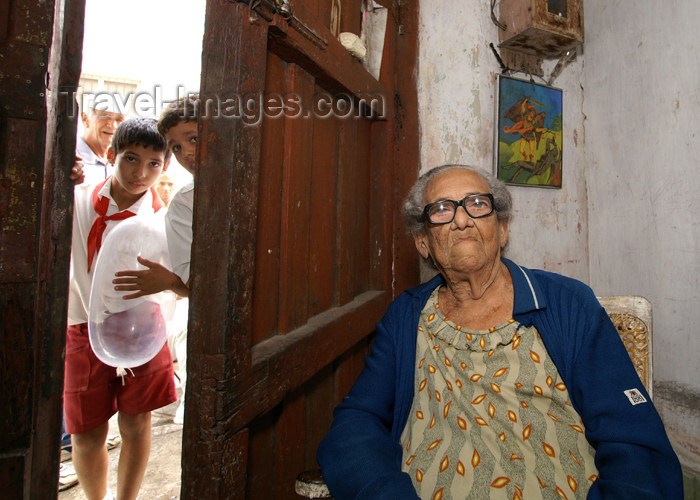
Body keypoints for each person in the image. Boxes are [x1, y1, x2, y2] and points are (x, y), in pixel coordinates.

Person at [317, 165, 683, 499]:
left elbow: (634, 440)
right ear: (423, 242)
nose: (461, 220)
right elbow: (356, 422)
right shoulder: (406, 317)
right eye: (442, 209)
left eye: (477, 204)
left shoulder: (566, 303)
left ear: (502, 228)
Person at [64, 117, 177, 500]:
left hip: (142, 330)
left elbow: (183, 280)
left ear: (165, 167)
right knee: (87, 430)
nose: (140, 173)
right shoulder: (78, 199)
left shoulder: (163, 221)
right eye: (131, 159)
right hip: (83, 324)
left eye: (153, 164)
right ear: (111, 155)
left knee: (136, 423)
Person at [112, 96, 198, 425]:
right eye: (175, 148)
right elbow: (193, 281)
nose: (185, 154)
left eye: (192, 138)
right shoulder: (183, 205)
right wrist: (175, 284)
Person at [75, 104, 126, 185]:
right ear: (85, 119)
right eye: (105, 116)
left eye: (119, 119)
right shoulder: (73, 160)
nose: (113, 125)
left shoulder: (123, 161)